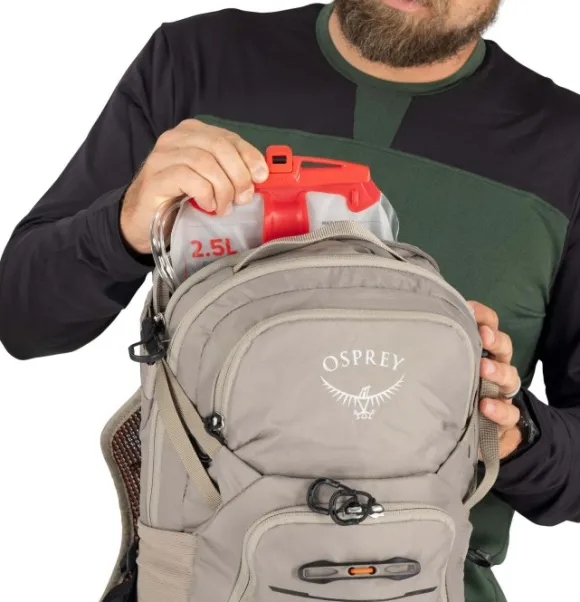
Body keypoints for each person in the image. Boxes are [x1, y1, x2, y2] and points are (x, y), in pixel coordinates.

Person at [0, 1, 578, 600]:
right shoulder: (199, 63)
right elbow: (24, 320)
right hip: (197, 581)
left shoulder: (566, 148)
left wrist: (510, 433)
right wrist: (123, 224)